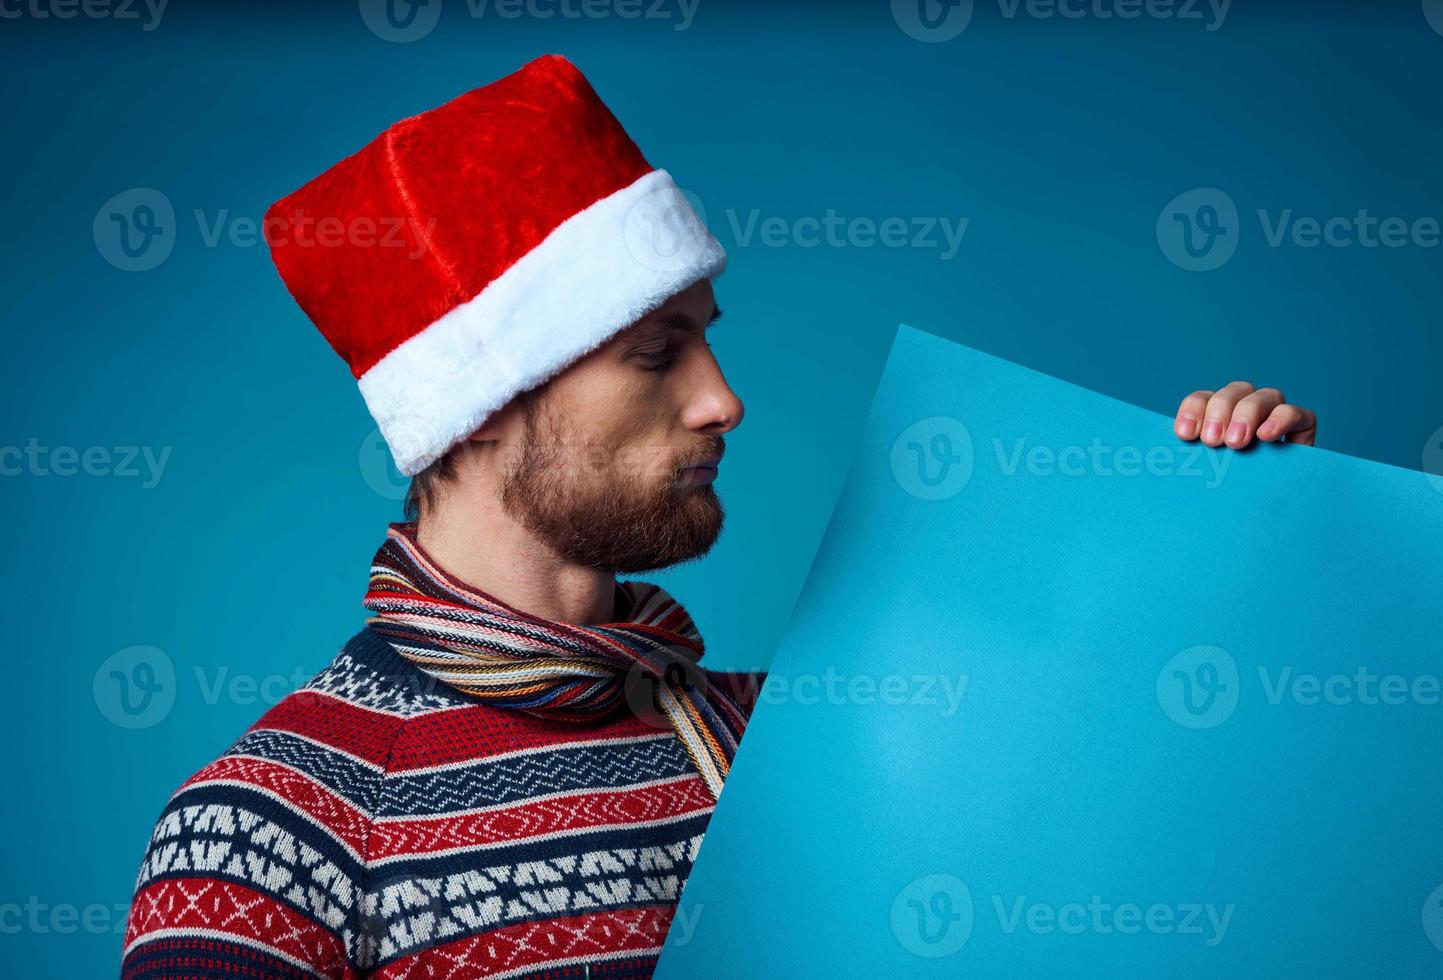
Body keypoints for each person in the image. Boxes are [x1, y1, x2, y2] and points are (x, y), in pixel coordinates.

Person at [120, 54, 1316, 979]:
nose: (723, 399)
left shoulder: (786, 740)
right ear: (477, 414)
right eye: (655, 353)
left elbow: (1165, 833)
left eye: (707, 337)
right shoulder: (271, 825)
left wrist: (1250, 527)